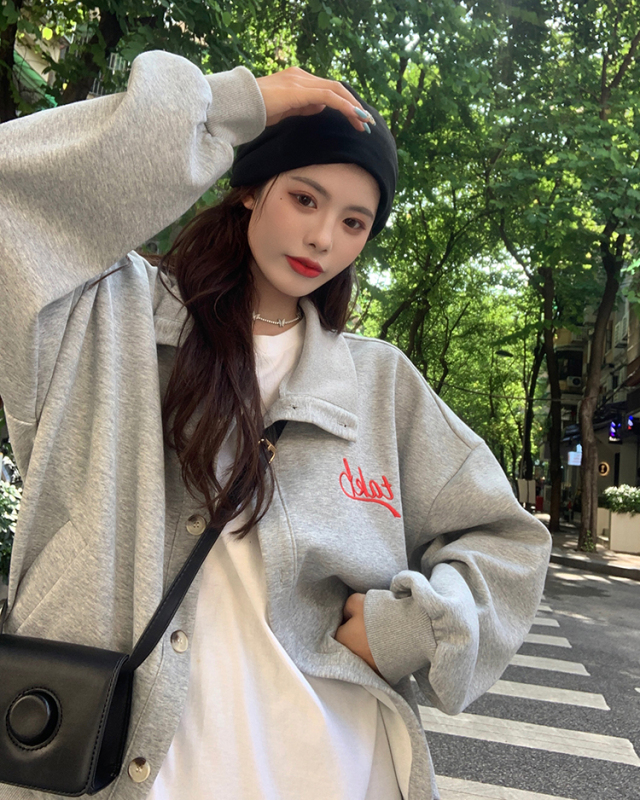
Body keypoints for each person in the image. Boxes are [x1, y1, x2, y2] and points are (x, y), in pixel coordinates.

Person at [0, 50, 551, 800]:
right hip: (115, 768)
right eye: (304, 197)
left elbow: (508, 541)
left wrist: (409, 628)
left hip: (332, 768)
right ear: (251, 190)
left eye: (353, 221)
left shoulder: (378, 384)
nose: (323, 236)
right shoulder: (104, 320)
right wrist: (233, 106)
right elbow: (15, 195)